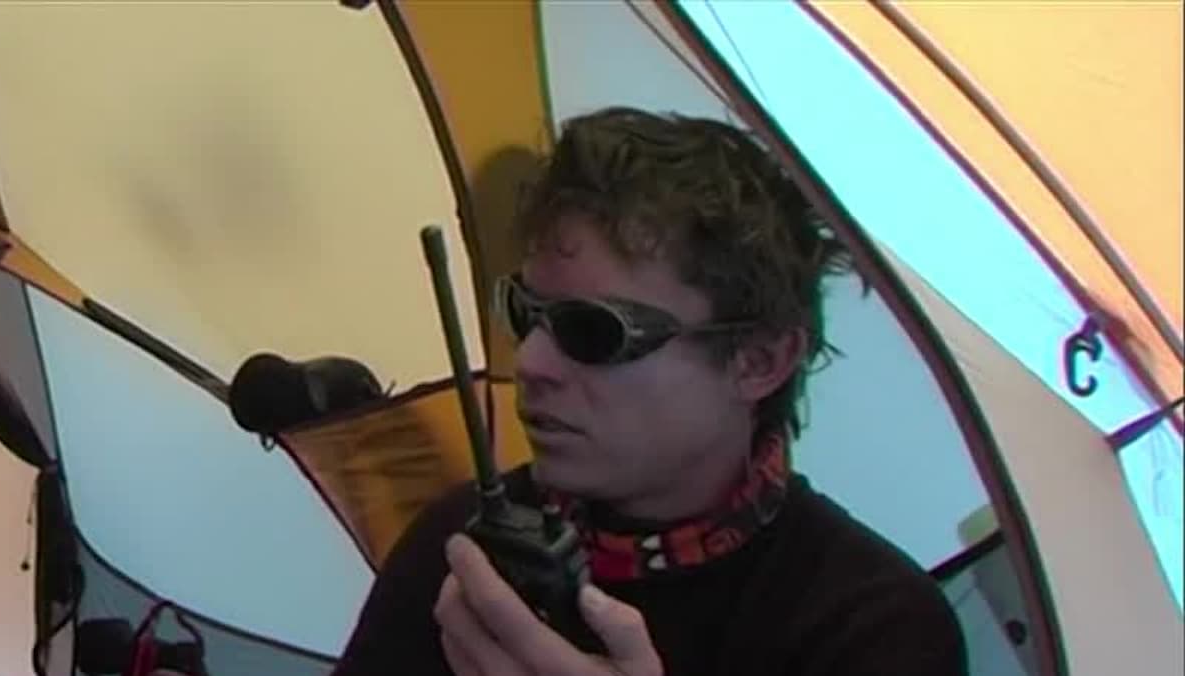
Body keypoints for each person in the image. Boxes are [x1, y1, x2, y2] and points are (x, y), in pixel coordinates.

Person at [331, 108, 967, 676]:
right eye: (525, 313)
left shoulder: (872, 627)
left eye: (594, 331)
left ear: (759, 360)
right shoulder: (463, 552)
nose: (530, 362)